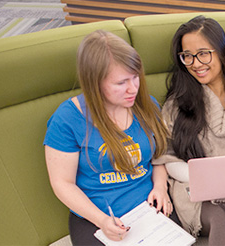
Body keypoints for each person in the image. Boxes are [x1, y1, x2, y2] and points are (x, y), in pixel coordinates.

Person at [44, 30, 175, 245]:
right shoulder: (67, 119)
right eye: (121, 82)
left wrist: (160, 187)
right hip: (96, 217)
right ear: (95, 83)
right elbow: (62, 183)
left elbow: (159, 156)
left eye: (135, 77)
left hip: (150, 208)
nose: (133, 88)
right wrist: (102, 220)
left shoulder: (147, 105)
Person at [152, 16, 225, 245]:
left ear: (221, 52)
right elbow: (168, 157)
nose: (196, 63)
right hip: (198, 193)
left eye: (203, 53)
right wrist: (207, 178)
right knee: (220, 217)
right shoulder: (177, 105)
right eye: (187, 56)